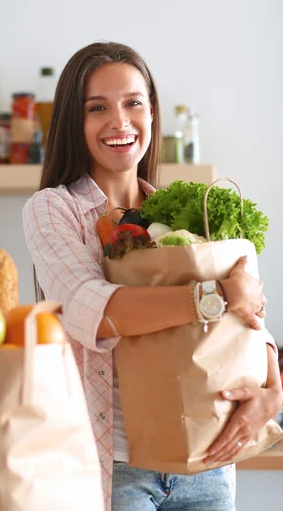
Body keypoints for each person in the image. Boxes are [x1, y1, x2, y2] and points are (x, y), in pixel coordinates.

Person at [22, 42, 282, 511]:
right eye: (97, 107)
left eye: (133, 103)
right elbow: (93, 310)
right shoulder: (53, 210)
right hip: (115, 466)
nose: (119, 121)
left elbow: (249, 319)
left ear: (152, 113)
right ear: (71, 122)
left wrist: (272, 394)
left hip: (208, 456)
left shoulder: (182, 213)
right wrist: (216, 294)